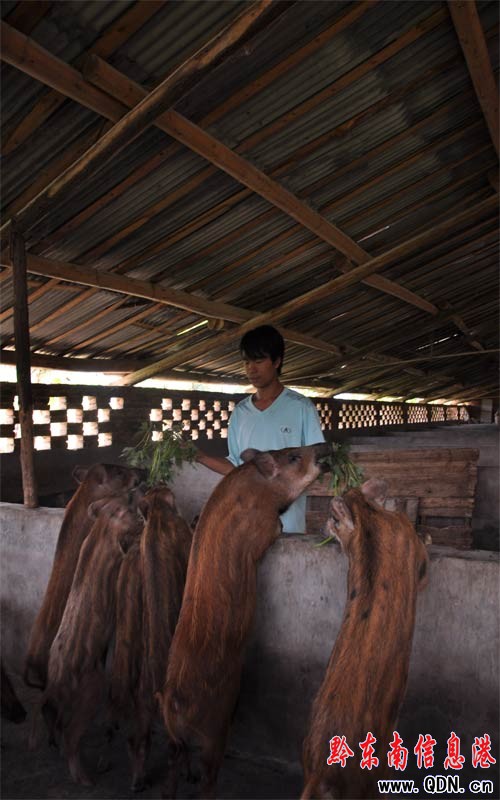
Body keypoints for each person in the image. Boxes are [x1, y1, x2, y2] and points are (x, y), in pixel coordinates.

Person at [196, 325, 325, 533]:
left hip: (287, 524)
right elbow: (236, 467)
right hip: (248, 525)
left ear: (276, 361)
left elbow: (317, 460)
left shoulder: (301, 407)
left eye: (258, 361)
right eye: (246, 362)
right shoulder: (241, 412)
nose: (251, 369)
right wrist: (200, 456)